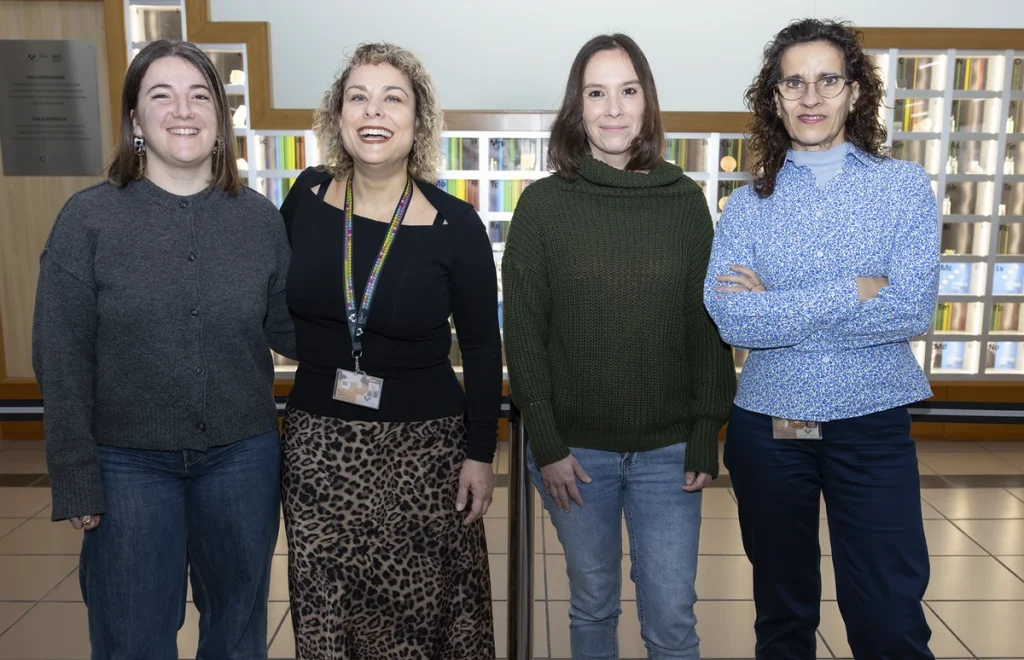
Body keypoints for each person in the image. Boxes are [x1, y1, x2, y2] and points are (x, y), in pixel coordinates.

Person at [32, 39, 295, 659]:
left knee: (237, 636)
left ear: (220, 118)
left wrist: (390, 319)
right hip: (126, 465)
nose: (184, 110)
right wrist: (75, 477)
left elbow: (289, 329)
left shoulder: (260, 220)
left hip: (242, 457)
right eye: (162, 95)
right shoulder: (88, 220)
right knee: (133, 639)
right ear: (134, 120)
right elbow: (61, 356)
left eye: (200, 95)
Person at [704, 18, 939, 660]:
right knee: (783, 612)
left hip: (871, 426)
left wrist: (778, 304)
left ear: (855, 92)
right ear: (775, 98)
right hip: (775, 428)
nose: (810, 97)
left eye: (827, 80)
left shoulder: (903, 188)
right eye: (794, 83)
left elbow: (911, 307)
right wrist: (857, 288)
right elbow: (733, 319)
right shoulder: (750, 203)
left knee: (888, 613)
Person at [503, 33, 736, 660]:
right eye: (596, 93)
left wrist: (706, 430)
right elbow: (523, 332)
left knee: (671, 615)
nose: (612, 108)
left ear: (647, 102)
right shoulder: (543, 206)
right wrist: (546, 441)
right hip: (574, 454)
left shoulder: (684, 202)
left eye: (627, 91)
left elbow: (706, 326)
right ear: (577, 108)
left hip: (669, 453)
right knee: (593, 603)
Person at [278, 42, 502, 659]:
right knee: (325, 612)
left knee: (420, 617)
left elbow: (484, 348)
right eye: (358, 97)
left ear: (418, 120)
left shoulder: (456, 225)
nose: (373, 111)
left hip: (425, 453)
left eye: (392, 98)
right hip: (318, 449)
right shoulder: (306, 197)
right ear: (338, 115)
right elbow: (266, 294)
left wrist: (479, 455)